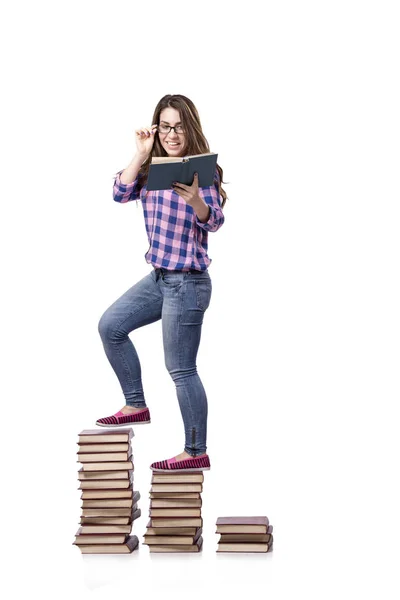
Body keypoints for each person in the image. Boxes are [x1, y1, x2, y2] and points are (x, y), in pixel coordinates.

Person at [96, 94, 227, 472]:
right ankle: (136, 404)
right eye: (166, 126)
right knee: (111, 325)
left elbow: (214, 221)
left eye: (179, 126)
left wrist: (196, 202)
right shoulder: (152, 169)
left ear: (191, 128)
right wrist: (140, 153)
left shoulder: (202, 173)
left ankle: (195, 449)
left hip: (188, 282)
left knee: (181, 368)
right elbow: (120, 193)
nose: (173, 134)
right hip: (159, 278)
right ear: (157, 128)